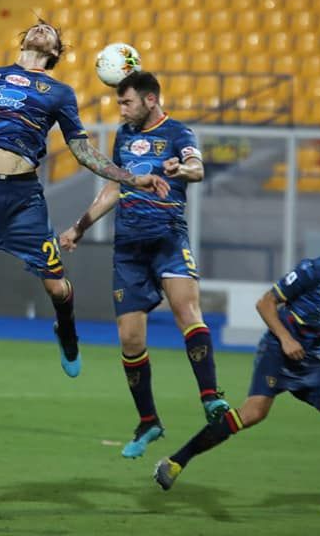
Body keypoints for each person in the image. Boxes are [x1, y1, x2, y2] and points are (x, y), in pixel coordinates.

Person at [0, 22, 171, 416]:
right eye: (36, 27)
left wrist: (128, 177)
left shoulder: (59, 92)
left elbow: (82, 150)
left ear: (55, 50)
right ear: (23, 39)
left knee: (56, 289)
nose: (41, 29)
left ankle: (67, 331)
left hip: (23, 200)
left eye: (49, 30)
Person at [153, 214, 320, 521]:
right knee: (253, 413)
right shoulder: (315, 269)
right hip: (278, 349)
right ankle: (174, 462)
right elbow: (265, 303)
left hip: (307, 360)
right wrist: (286, 338)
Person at [59, 71, 231, 459]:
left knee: (187, 309)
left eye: (126, 102)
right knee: (131, 340)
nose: (121, 110)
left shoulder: (179, 134)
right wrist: (79, 227)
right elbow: (114, 187)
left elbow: (198, 169)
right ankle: (149, 420)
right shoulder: (124, 137)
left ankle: (210, 397)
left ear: (150, 100)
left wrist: (177, 170)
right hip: (129, 249)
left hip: (168, 239)